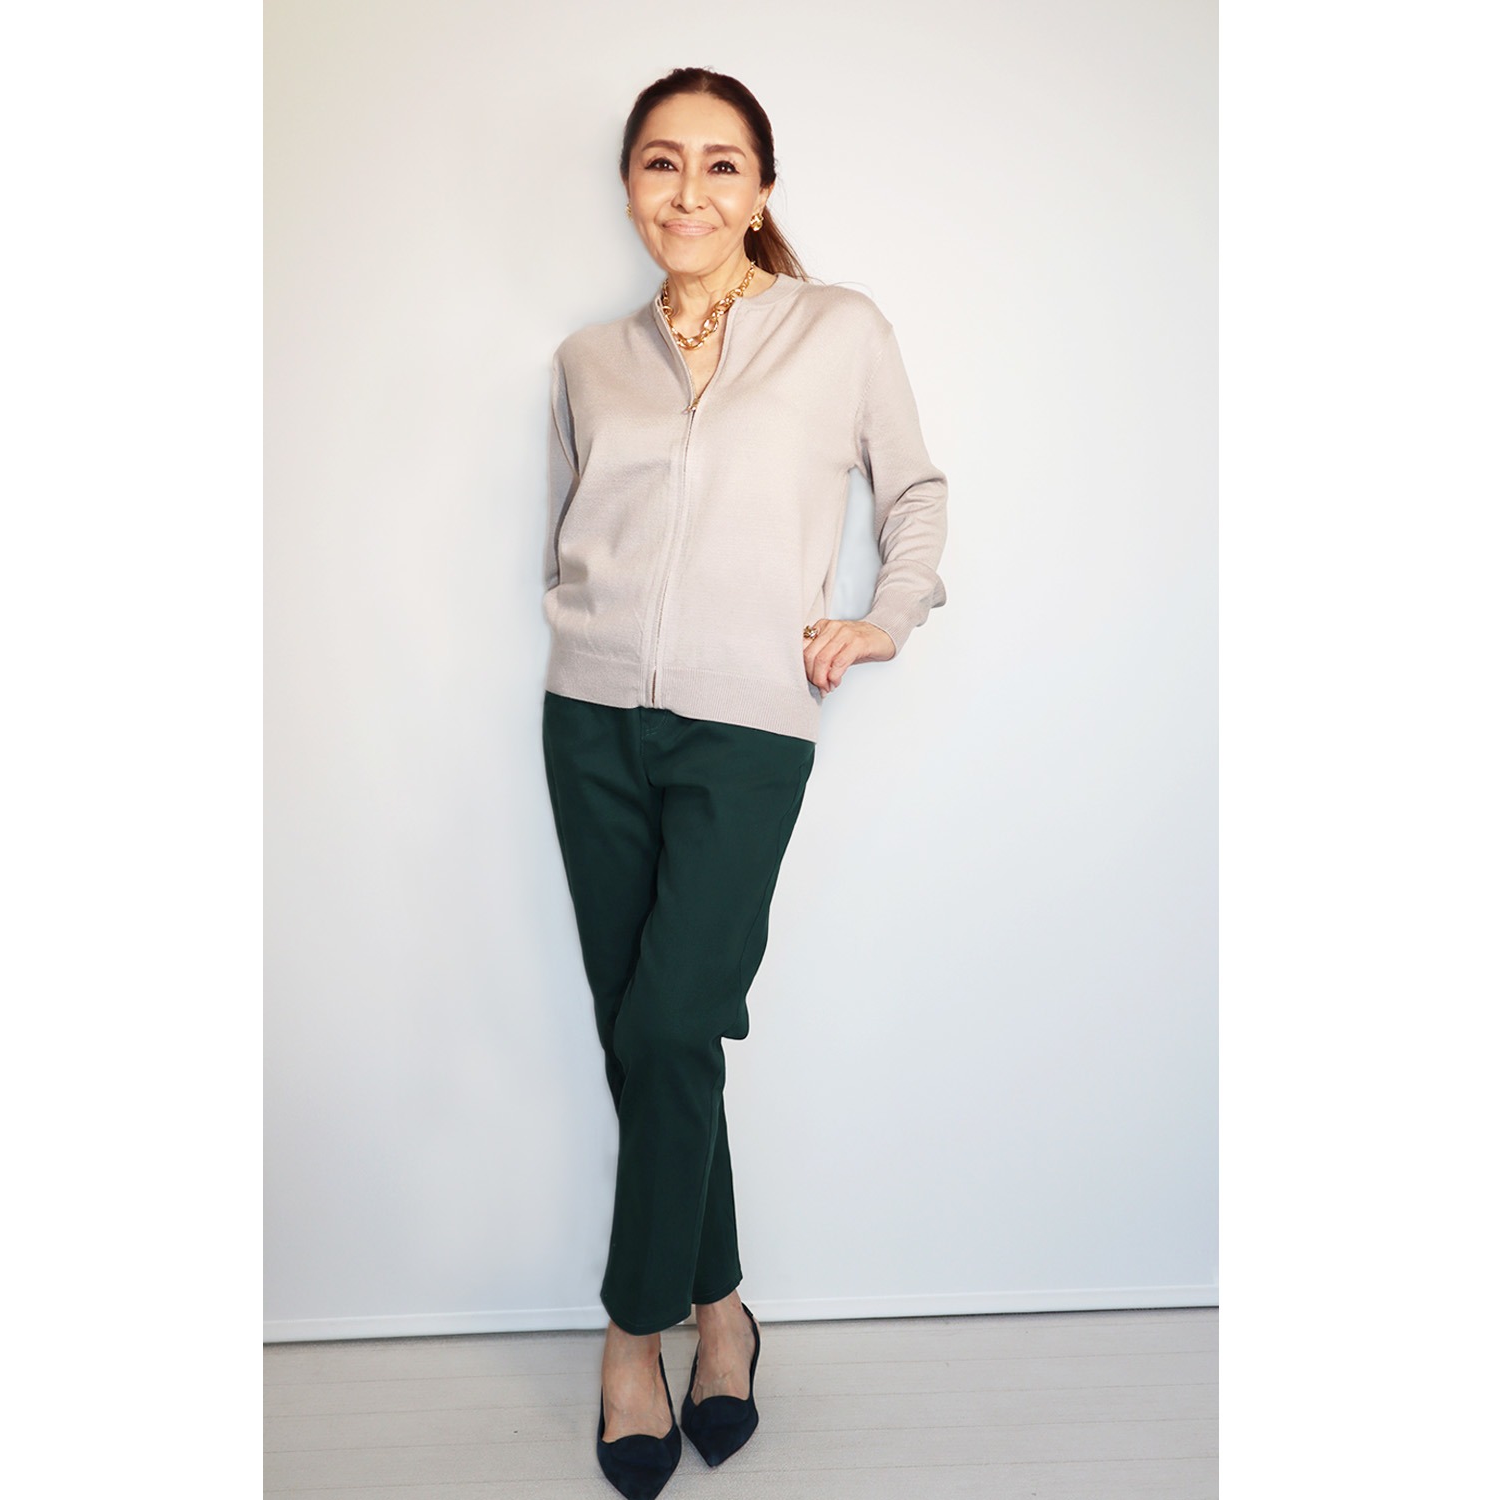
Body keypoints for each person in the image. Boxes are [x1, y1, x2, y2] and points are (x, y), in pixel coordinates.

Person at [540, 66, 948, 1497]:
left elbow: (914, 490)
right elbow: (564, 536)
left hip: (748, 726)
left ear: (762, 188)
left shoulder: (838, 329)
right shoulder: (588, 360)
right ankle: (723, 1314)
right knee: (648, 1042)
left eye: (723, 164)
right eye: (663, 162)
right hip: (589, 723)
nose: (691, 190)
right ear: (630, 188)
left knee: (671, 1020)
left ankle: (630, 1336)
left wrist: (885, 615)